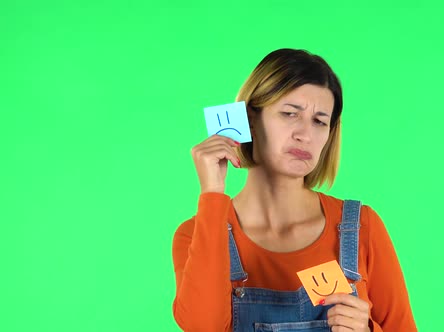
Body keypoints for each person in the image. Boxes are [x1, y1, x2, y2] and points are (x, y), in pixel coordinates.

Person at [172, 48, 417, 331]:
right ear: (250, 118)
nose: (305, 135)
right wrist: (213, 193)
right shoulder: (193, 235)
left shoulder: (363, 227)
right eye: (290, 114)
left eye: (319, 121)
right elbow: (203, 326)